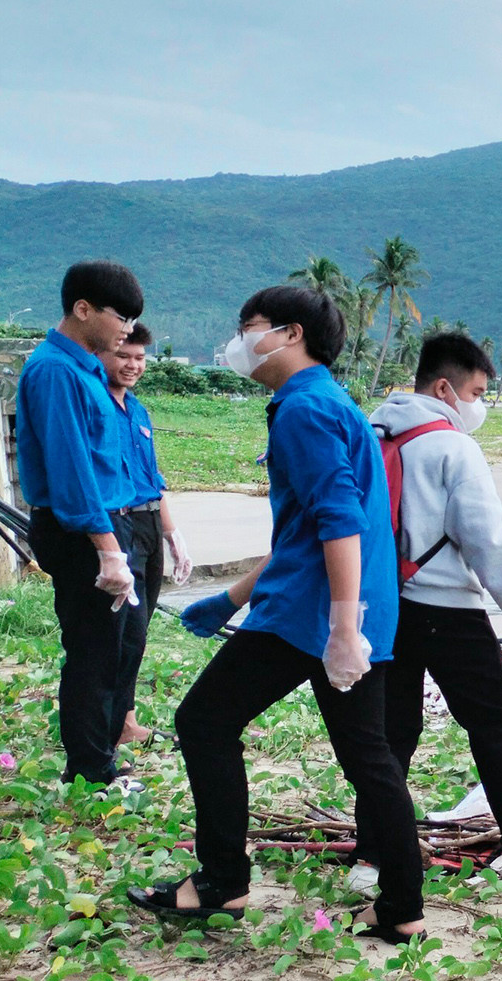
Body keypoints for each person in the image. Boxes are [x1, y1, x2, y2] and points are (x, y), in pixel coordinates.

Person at [148, 286, 425, 943]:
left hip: (310, 615)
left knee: (204, 721)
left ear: (289, 333)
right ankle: (402, 908)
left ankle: (222, 882)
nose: (239, 342)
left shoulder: (304, 409)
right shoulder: (328, 401)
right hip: (347, 606)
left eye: (248, 328)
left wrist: (341, 626)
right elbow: (306, 531)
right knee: (368, 757)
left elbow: (340, 520)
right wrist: (232, 598)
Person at [359, 332, 502, 886]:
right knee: (493, 725)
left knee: (393, 731)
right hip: (446, 608)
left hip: (380, 604)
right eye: (478, 393)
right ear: (445, 388)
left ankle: (373, 858)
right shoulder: (452, 446)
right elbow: (489, 543)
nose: (479, 405)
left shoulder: (369, 432)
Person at [15, 261, 143, 789]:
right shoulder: (55, 371)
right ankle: (90, 772)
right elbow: (72, 471)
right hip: (83, 532)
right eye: (122, 317)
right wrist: (107, 548)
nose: (127, 330)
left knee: (120, 646)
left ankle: (102, 755)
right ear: (83, 309)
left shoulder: (87, 369)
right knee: (93, 652)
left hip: (109, 524)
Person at [103, 324, 193, 748]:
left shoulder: (137, 410)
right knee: (120, 632)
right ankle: (109, 727)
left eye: (140, 358)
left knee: (137, 633)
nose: (133, 365)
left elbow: (154, 479)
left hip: (150, 524)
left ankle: (126, 718)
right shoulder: (97, 407)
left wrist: (172, 535)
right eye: (124, 356)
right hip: (119, 526)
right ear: (104, 353)